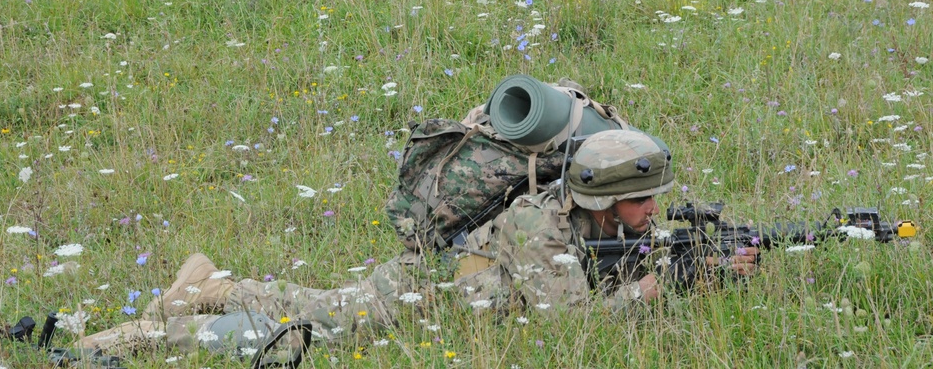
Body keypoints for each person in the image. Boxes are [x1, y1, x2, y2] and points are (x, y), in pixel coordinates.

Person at [76, 130, 757, 357]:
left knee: (309, 308)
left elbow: (643, 256)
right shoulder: (537, 223)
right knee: (312, 317)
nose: (654, 209)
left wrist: (711, 266)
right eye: (641, 199)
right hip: (415, 298)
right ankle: (183, 308)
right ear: (604, 200)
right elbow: (569, 324)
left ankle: (206, 289)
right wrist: (655, 291)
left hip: (443, 298)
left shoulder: (610, 222)